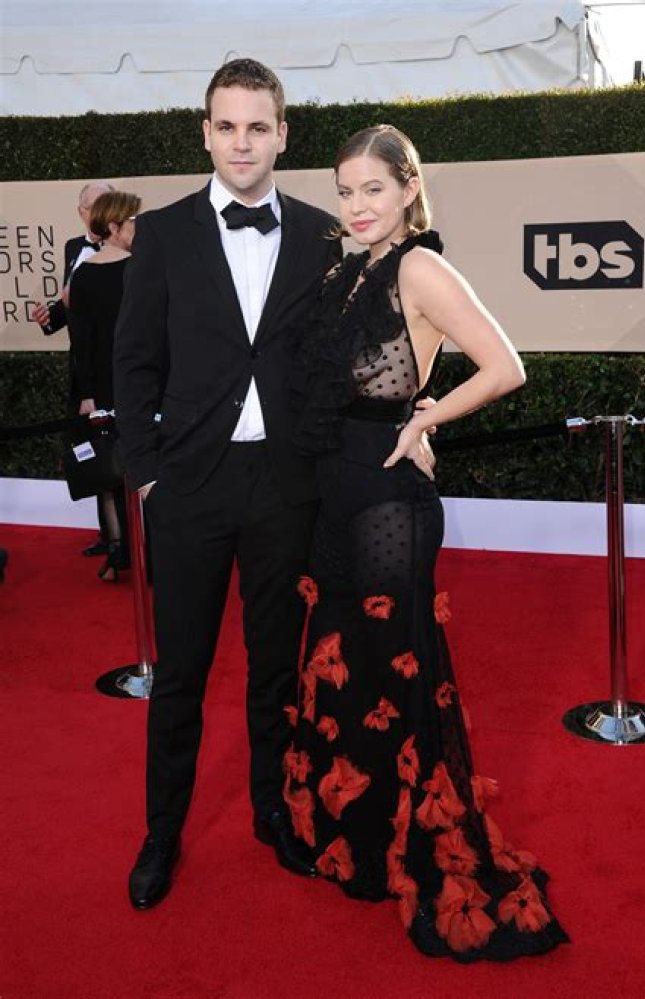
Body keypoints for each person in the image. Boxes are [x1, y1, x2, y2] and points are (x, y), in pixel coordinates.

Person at [286, 124, 569, 961]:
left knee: (391, 674)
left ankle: (401, 842)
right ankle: (359, 832)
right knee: (345, 665)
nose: (356, 206)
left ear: (409, 188)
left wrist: (425, 418)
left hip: (387, 505)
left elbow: (505, 365)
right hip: (337, 496)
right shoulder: (350, 270)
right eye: (345, 191)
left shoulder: (419, 268)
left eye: (373, 189)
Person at [113, 58, 341, 910]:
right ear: (205, 133)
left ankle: (272, 812)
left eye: (258, 126)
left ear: (283, 135)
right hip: (190, 487)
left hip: (285, 486)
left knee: (276, 669)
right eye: (227, 126)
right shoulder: (163, 234)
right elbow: (133, 362)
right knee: (180, 674)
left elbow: (335, 365)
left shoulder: (322, 234)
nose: (242, 142)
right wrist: (147, 475)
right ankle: (162, 832)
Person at [30, 180, 116, 559]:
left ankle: (128, 541)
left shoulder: (127, 248)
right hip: (83, 367)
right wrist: (49, 318)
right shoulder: (72, 248)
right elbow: (73, 304)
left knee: (118, 448)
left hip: (114, 367)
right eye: (95, 205)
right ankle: (108, 535)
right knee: (91, 449)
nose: (101, 212)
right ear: (81, 212)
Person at [69, 191, 141, 582]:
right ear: (114, 226)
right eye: (132, 221)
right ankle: (134, 555)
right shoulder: (137, 269)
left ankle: (120, 554)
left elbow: (81, 343)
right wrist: (88, 395)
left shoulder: (88, 274)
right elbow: (83, 341)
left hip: (113, 386)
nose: (137, 228)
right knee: (124, 470)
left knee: (115, 476)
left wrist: (88, 394)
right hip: (133, 384)